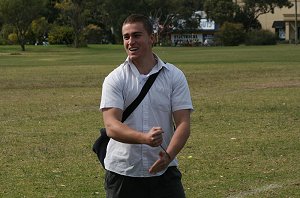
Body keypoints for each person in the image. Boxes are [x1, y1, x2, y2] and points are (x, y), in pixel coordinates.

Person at [100, 14, 193, 198]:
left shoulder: (174, 76)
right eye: (126, 37)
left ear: (152, 38)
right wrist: (144, 138)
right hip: (123, 172)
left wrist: (168, 156)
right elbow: (111, 126)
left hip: (164, 172)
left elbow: (183, 123)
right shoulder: (115, 79)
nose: (130, 42)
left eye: (136, 35)